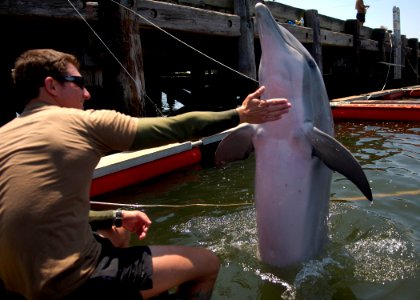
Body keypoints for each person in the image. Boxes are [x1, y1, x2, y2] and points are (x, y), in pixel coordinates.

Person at [0, 49, 291, 300]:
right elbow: (178, 127)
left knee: (117, 232)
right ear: (51, 86)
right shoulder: (82, 123)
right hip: (69, 286)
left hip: (14, 282)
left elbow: (35, 211)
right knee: (207, 263)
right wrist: (240, 114)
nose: (87, 93)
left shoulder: (5, 134)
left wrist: (114, 216)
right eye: (78, 83)